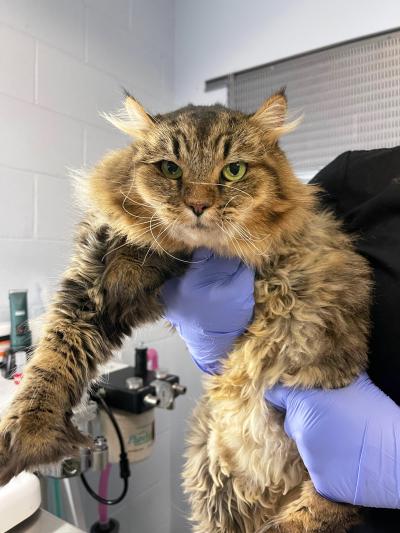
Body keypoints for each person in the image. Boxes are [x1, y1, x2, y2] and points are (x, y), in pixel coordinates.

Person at [161, 148, 400, 532]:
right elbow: (267, 261)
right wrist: (212, 341)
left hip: (327, 509)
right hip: (270, 471)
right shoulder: (358, 174)